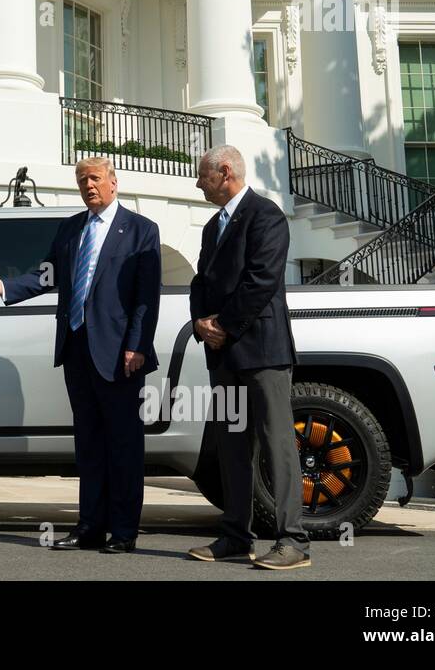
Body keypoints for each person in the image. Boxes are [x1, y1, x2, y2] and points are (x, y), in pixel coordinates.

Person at [0, 156, 160, 553]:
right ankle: (90, 528)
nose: (89, 185)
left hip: (120, 354)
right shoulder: (71, 229)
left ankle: (123, 532)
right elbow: (47, 275)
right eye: (82, 179)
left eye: (95, 178)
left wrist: (137, 345)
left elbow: (145, 297)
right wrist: (6, 287)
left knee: (123, 446)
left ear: (113, 183)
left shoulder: (140, 230)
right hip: (76, 350)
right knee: (88, 444)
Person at [187, 144, 310, 570]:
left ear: (225, 172)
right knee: (232, 447)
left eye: (203, 175)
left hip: (262, 353)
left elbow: (261, 280)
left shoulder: (266, 215)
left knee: (277, 446)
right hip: (225, 357)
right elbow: (200, 281)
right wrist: (200, 321)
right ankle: (236, 537)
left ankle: (293, 541)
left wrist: (222, 326)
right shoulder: (211, 227)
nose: (198, 182)